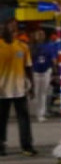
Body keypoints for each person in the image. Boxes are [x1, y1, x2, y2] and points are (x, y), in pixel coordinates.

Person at [0, 16, 35, 156]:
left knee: (24, 119)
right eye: (10, 25)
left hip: (19, 90)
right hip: (2, 90)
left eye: (15, 26)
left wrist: (31, 86)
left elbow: (28, 67)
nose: (13, 28)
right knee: (1, 120)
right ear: (4, 28)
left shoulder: (22, 46)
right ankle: (1, 146)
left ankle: (27, 146)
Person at [28, 29, 56, 122]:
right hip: (35, 72)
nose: (40, 36)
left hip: (46, 71)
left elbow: (53, 59)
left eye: (42, 34)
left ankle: (41, 113)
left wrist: (55, 70)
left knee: (43, 93)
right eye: (38, 34)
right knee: (36, 93)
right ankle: (35, 111)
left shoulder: (49, 46)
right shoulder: (32, 47)